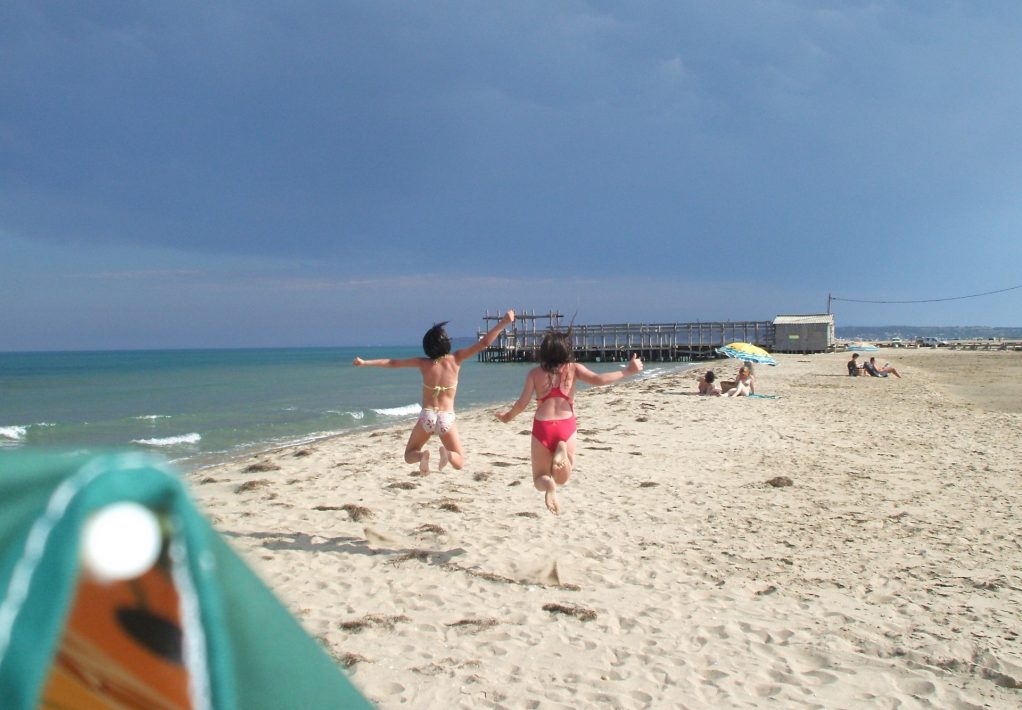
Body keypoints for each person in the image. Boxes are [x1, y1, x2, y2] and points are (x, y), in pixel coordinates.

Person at [496, 330, 644, 515]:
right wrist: (627, 371)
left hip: (543, 426)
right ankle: (561, 449)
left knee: (539, 479)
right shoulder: (573, 369)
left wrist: (507, 417)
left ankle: (549, 485)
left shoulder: (535, 374)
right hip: (566, 426)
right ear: (566, 351)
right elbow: (599, 380)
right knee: (563, 478)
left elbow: (522, 403)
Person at [353, 310, 515, 472]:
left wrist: (365, 362)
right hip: (446, 417)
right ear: (447, 343)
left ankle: (422, 456)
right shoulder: (456, 359)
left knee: (409, 454)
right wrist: (504, 322)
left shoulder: (423, 363)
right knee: (459, 461)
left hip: (427, 416)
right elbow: (484, 343)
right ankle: (448, 455)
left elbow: (393, 363)